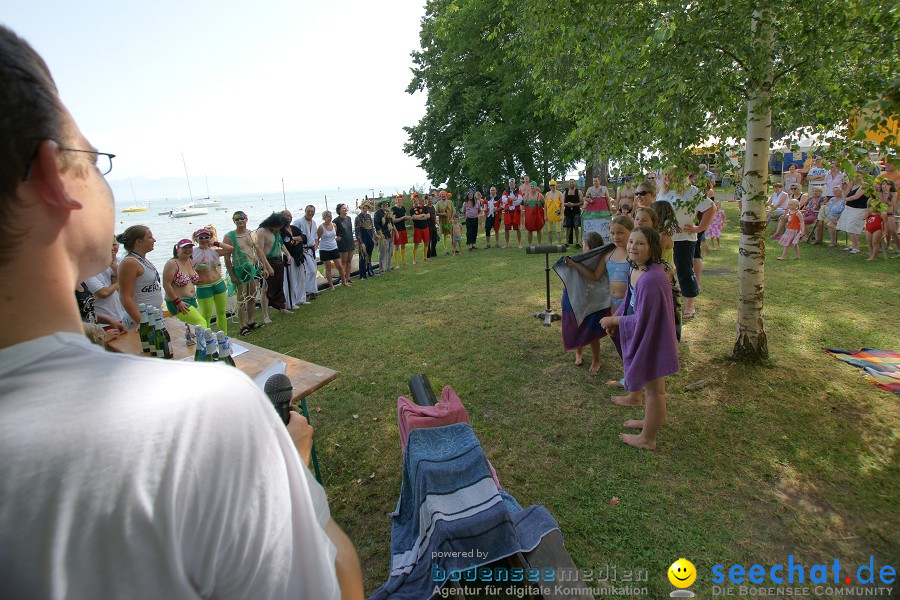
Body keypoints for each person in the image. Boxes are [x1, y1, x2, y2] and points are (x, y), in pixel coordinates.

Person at [0, 26, 362, 599]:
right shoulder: (198, 421)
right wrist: (292, 470)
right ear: (53, 177)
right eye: (93, 160)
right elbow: (338, 586)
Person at [600, 227, 679, 451]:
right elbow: (628, 301)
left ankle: (648, 439)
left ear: (652, 248)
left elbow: (644, 319)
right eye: (632, 242)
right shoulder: (638, 269)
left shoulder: (652, 279)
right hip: (647, 336)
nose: (633, 246)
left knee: (656, 391)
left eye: (640, 243)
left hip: (654, 339)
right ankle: (648, 423)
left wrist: (615, 322)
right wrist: (615, 317)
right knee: (651, 387)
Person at [658, 168, 713, 319]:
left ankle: (690, 305)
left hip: (683, 237)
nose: (667, 177)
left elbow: (710, 208)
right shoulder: (663, 192)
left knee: (684, 271)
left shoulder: (689, 191)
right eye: (666, 174)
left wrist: (699, 228)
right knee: (664, 269)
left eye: (671, 173)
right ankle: (667, 302)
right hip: (665, 237)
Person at [561, 232, 611, 373]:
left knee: (592, 329)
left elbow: (595, 277)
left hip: (594, 301)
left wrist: (576, 265)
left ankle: (596, 360)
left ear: (588, 246)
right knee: (578, 324)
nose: (582, 247)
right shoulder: (580, 259)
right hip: (579, 298)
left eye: (583, 244)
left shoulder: (601, 259)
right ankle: (579, 352)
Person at [223, 210, 269, 336]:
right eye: (237, 219)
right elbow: (227, 258)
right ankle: (242, 325)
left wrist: (264, 267)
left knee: (252, 296)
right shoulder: (229, 237)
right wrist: (232, 275)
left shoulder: (252, 234)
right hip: (240, 270)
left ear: (246, 219)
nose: (240, 221)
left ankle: (251, 321)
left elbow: (259, 251)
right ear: (234, 221)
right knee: (241, 299)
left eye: (242, 218)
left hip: (253, 268)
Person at [116, 225, 163, 329]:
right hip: (142, 319)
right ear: (138, 241)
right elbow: (125, 297)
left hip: (153, 316)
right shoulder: (129, 263)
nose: (154, 240)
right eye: (150, 237)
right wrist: (142, 322)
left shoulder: (142, 260)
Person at [191, 227, 232, 333]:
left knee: (222, 312)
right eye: (201, 238)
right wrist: (192, 281)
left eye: (206, 237)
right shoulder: (191, 254)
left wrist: (215, 243)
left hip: (219, 284)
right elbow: (182, 266)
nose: (204, 240)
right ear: (196, 239)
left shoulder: (214, 252)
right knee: (206, 315)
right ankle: (206, 338)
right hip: (204, 287)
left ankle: (224, 335)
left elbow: (230, 249)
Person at [162, 239, 208, 328]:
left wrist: (198, 281)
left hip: (192, 300)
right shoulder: (172, 263)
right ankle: (207, 341)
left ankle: (195, 341)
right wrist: (177, 301)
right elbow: (166, 285)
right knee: (201, 323)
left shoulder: (190, 261)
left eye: (190, 247)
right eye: (184, 247)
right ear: (177, 249)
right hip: (178, 301)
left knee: (192, 327)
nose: (188, 249)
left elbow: (189, 281)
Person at [84, 237, 128, 326]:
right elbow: (103, 293)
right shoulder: (87, 271)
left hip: (120, 316)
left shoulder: (109, 264)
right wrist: (117, 283)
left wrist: (110, 262)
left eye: (113, 245)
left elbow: (126, 276)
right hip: (104, 322)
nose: (111, 248)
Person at [256, 212, 291, 323]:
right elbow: (260, 251)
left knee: (279, 286)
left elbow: (281, 244)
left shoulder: (276, 231)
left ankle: (282, 307)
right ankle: (265, 315)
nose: (278, 228)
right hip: (268, 261)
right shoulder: (261, 231)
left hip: (278, 260)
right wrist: (266, 267)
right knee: (265, 289)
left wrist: (288, 254)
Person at [280, 210, 309, 308]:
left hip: (299, 256)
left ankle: (301, 298)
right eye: (287, 216)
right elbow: (287, 244)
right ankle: (290, 302)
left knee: (301, 279)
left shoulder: (294, 228)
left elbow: (304, 238)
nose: (289, 217)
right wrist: (298, 240)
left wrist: (294, 239)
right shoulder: (281, 231)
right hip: (289, 257)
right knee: (290, 280)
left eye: (290, 215)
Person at [292, 205, 320, 301]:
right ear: (305, 211)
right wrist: (299, 247)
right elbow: (291, 235)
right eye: (308, 211)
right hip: (303, 249)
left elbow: (315, 236)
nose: (310, 213)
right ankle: (307, 291)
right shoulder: (298, 222)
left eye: (312, 211)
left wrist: (316, 245)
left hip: (311, 249)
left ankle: (312, 291)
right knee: (311, 270)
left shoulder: (314, 223)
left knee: (314, 270)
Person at [836, 173, 869, 254]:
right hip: (849, 208)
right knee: (848, 227)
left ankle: (856, 247)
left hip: (858, 209)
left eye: (858, 176)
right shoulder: (854, 186)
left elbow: (856, 196)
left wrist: (846, 199)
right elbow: (845, 195)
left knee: (853, 227)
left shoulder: (865, 186)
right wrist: (843, 190)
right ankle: (853, 245)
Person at [317, 210, 341, 290]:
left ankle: (344, 281)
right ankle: (331, 285)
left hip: (334, 247)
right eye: (328, 217)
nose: (329, 218)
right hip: (324, 249)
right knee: (328, 267)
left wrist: (336, 238)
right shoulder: (321, 227)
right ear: (324, 218)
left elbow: (333, 235)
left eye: (330, 216)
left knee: (340, 266)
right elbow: (317, 238)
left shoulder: (334, 225)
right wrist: (315, 247)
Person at [334, 203, 356, 285]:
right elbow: (331, 232)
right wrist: (336, 238)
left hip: (350, 241)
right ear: (339, 210)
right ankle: (343, 280)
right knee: (343, 262)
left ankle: (348, 278)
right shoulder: (336, 221)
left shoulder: (349, 218)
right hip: (342, 243)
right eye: (343, 208)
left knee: (349, 261)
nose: (345, 209)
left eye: (346, 208)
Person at [876, 179, 899, 255]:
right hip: (880, 214)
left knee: (892, 231)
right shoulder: (878, 193)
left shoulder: (894, 193)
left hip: (889, 214)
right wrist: (884, 194)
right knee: (880, 231)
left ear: (891, 186)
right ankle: (879, 247)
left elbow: (891, 203)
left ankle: (898, 247)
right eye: (883, 184)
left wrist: (886, 194)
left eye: (886, 184)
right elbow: (881, 202)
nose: (884, 186)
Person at [355, 200, 376, 279]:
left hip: (370, 237)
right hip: (363, 237)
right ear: (361, 208)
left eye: (366, 207)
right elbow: (357, 232)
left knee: (369, 255)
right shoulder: (358, 218)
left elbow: (372, 227)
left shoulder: (369, 216)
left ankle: (370, 271)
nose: (365, 209)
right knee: (362, 256)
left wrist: (375, 235)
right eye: (363, 208)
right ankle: (362, 275)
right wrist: (361, 242)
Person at [373, 199, 394, 273]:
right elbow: (376, 224)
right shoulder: (378, 213)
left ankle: (388, 266)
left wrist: (394, 231)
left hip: (390, 235)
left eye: (386, 204)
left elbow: (392, 223)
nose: (385, 205)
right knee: (382, 252)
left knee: (390, 251)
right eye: (383, 204)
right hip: (382, 235)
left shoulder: (388, 212)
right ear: (380, 205)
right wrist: (380, 234)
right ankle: (382, 268)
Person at [502, 178, 523, 249]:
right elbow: (504, 201)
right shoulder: (505, 192)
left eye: (513, 184)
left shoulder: (519, 191)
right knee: (506, 228)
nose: (511, 185)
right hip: (508, 211)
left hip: (516, 211)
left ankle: (519, 243)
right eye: (510, 184)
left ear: (515, 184)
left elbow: (519, 201)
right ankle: (507, 243)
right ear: (509, 184)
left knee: (517, 228)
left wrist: (509, 201)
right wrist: (512, 199)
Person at [864, 196, 887, 261]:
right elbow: (863, 218)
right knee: (870, 243)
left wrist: (885, 231)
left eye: (874, 206)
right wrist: (868, 212)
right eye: (871, 206)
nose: (873, 207)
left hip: (877, 229)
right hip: (869, 229)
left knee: (875, 243)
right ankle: (871, 256)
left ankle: (874, 256)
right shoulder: (869, 213)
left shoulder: (882, 214)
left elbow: (885, 223)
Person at [523, 180, 546, 245]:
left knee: (539, 229)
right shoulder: (526, 196)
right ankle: (529, 244)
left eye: (534, 186)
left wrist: (544, 215)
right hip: (529, 216)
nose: (532, 187)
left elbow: (544, 205)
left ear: (536, 187)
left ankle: (539, 244)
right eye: (531, 186)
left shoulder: (540, 195)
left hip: (538, 215)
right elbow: (524, 205)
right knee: (529, 230)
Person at [563, 178, 584, 246]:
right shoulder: (565, 192)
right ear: (568, 183)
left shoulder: (578, 192)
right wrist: (567, 204)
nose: (571, 183)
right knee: (568, 227)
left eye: (572, 182)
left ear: (575, 183)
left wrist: (573, 204)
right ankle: (567, 242)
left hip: (576, 211)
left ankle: (577, 242)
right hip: (567, 211)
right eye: (570, 182)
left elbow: (582, 202)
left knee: (576, 227)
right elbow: (561, 202)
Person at [410, 194, 430, 264]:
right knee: (416, 244)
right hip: (417, 229)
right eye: (413, 199)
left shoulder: (424, 207)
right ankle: (414, 259)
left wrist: (419, 217)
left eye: (416, 199)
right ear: (413, 201)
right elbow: (414, 217)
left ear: (418, 199)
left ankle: (425, 257)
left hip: (425, 228)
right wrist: (422, 215)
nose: (415, 200)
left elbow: (428, 216)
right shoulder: (412, 209)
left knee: (426, 243)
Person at [391, 194, 409, 267]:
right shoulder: (393, 209)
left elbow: (404, 218)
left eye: (401, 200)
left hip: (403, 229)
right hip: (397, 230)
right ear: (396, 200)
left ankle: (404, 262)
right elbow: (393, 220)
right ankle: (396, 263)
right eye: (398, 200)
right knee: (396, 246)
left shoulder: (403, 208)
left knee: (403, 245)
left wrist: (408, 218)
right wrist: (403, 217)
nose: (400, 201)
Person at [436, 191, 454, 255]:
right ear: (440, 196)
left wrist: (451, 219)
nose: (443, 196)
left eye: (444, 194)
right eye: (442, 195)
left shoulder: (450, 202)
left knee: (452, 234)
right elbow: (435, 213)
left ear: (446, 195)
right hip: (443, 221)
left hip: (449, 221)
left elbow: (453, 211)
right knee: (444, 235)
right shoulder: (438, 203)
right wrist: (442, 214)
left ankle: (453, 248)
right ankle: (446, 250)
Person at [425, 194, 439, 259]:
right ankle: (428, 255)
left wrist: (438, 224)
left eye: (431, 199)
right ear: (426, 200)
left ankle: (433, 252)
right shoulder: (425, 208)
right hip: (427, 226)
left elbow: (434, 217)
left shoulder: (433, 207)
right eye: (429, 199)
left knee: (435, 240)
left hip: (433, 226)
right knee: (428, 241)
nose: (430, 200)